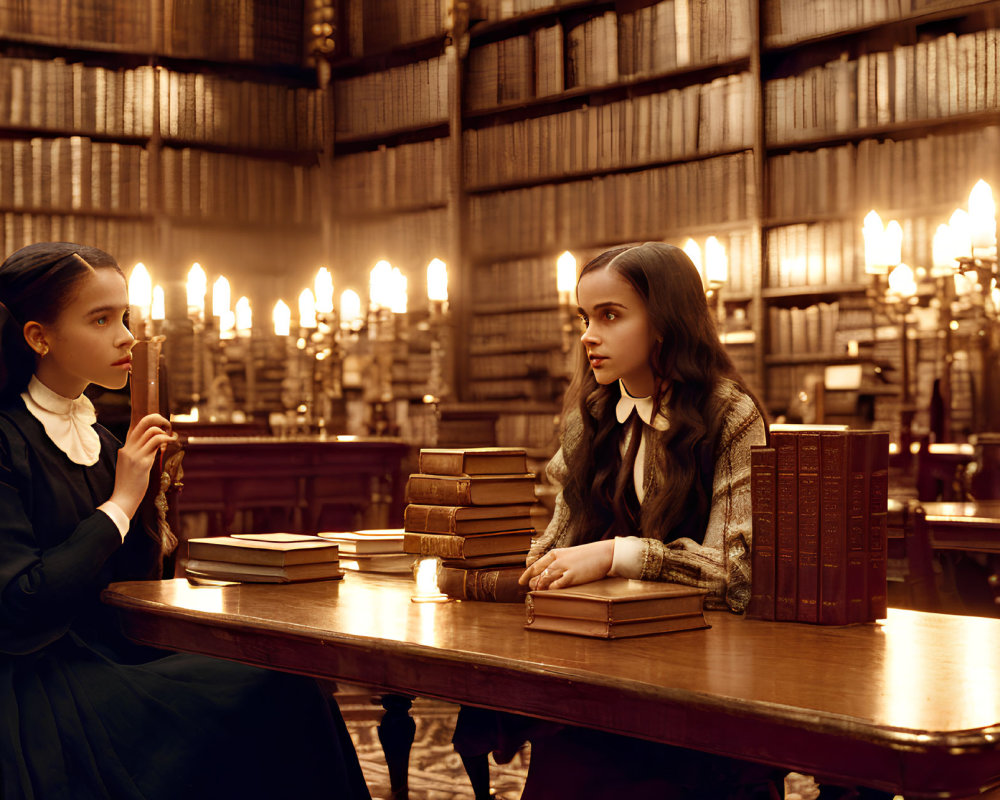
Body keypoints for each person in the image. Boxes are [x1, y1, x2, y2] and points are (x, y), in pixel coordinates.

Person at [0, 242, 371, 800]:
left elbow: (129, 584)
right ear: (38, 336)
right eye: (101, 320)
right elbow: (20, 605)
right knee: (266, 699)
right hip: (39, 681)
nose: (126, 336)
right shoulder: (7, 441)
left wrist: (155, 500)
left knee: (293, 683)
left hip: (114, 650)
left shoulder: (102, 443)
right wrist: (121, 504)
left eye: (123, 316)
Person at [454, 242, 780, 800]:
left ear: (665, 323)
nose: (588, 335)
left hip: (701, 683)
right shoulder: (593, 415)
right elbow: (554, 545)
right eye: (585, 317)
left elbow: (735, 575)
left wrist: (616, 554)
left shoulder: (731, 414)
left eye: (609, 315)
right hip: (600, 664)